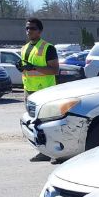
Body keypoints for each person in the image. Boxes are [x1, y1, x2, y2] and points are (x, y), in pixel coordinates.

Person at [18, 18, 59, 161]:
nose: (29, 31)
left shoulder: (48, 48)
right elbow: (27, 70)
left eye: (33, 28)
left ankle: (53, 153)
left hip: (45, 92)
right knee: (34, 124)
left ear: (40, 31)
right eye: (27, 28)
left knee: (47, 124)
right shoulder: (24, 48)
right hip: (29, 90)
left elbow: (55, 70)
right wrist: (22, 68)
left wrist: (34, 67)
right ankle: (43, 151)